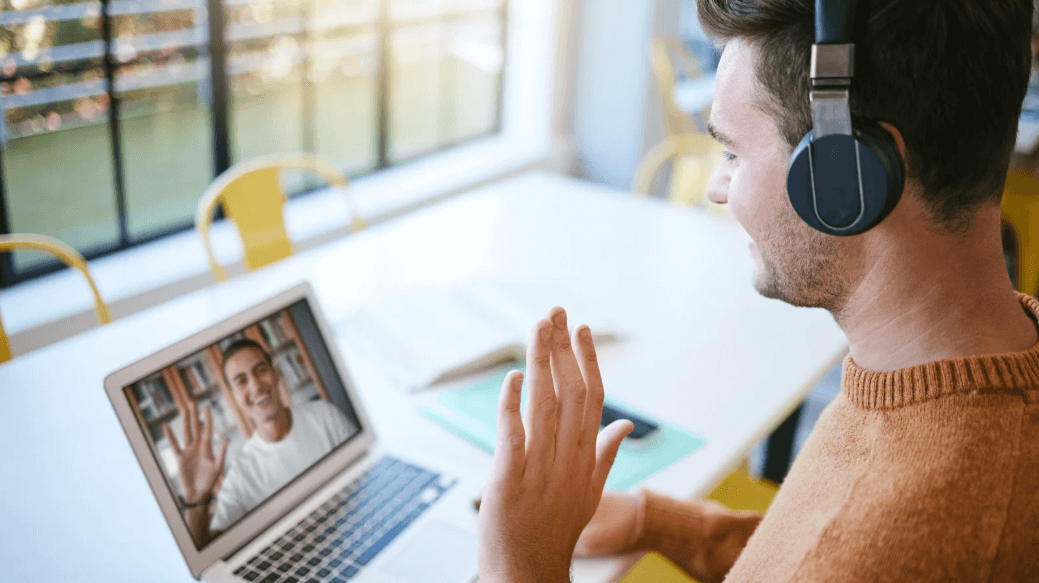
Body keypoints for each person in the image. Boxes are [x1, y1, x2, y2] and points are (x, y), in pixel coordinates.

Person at [477, 1, 1039, 582]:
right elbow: (815, 546)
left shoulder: (897, 539)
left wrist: (519, 563)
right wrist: (656, 522)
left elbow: (847, 555)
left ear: (848, 177)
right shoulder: (982, 366)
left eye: (732, 153)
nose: (716, 190)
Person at [165, 339, 356, 547]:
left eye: (260, 370)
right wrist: (197, 501)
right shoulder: (240, 477)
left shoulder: (325, 415)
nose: (255, 385)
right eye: (241, 381)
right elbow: (210, 552)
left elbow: (368, 472)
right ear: (235, 397)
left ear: (275, 375)